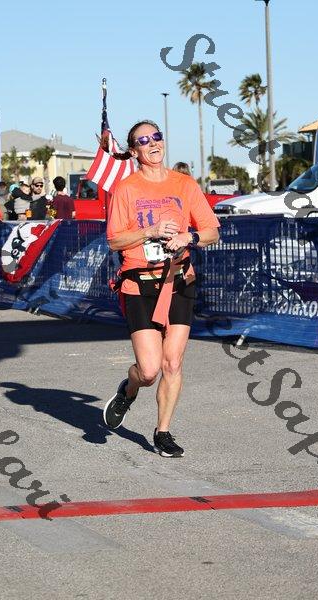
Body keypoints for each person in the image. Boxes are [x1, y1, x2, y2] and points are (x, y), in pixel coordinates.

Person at [104, 120, 220, 457]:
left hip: (179, 281)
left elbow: (212, 231)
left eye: (156, 136)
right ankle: (128, 389)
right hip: (139, 285)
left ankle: (163, 432)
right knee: (149, 370)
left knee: (172, 363)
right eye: (144, 140)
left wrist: (189, 236)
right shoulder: (127, 189)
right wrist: (150, 231)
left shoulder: (184, 184)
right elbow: (114, 241)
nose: (153, 143)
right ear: (134, 151)